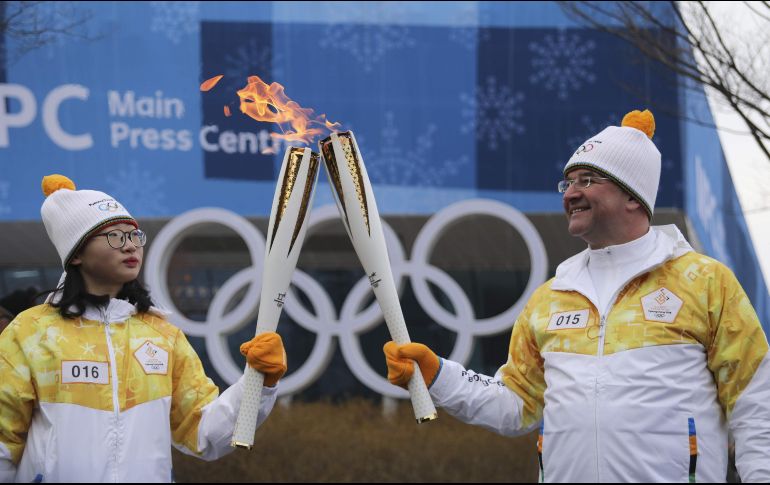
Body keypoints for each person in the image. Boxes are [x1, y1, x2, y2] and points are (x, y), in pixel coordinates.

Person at [384, 110, 770, 482]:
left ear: (633, 197)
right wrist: (439, 376)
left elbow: (756, 404)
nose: (570, 194)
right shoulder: (552, 298)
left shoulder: (703, 281)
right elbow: (517, 404)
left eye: (587, 180)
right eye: (567, 183)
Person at [0, 175, 286, 482]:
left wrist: (258, 381)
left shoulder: (162, 336)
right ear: (77, 253)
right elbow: (4, 440)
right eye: (115, 237)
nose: (130, 246)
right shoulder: (32, 333)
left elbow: (203, 431)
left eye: (134, 236)